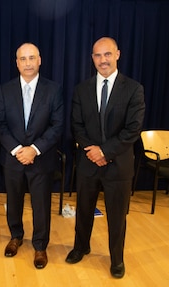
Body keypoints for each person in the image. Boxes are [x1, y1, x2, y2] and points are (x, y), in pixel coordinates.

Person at [66, 37, 145, 278]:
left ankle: (117, 259)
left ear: (117, 55)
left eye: (107, 54)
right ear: (92, 58)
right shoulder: (81, 89)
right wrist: (93, 151)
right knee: (84, 210)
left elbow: (133, 129)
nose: (103, 60)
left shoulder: (133, 89)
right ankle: (81, 247)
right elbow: (76, 126)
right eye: (98, 56)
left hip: (118, 165)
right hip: (88, 163)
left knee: (117, 215)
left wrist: (105, 151)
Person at [0, 43, 64, 269]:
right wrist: (17, 150)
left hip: (41, 159)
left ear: (40, 60)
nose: (28, 63)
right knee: (13, 201)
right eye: (23, 59)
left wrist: (34, 149)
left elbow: (57, 125)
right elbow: (0, 124)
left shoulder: (53, 89)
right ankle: (16, 236)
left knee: (41, 204)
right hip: (12, 158)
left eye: (32, 58)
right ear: (17, 63)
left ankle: (40, 246)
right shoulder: (5, 89)